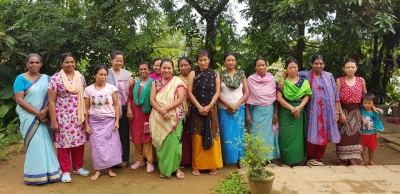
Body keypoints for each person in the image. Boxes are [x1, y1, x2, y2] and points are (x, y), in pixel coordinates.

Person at [279, 54, 341, 166]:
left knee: (324, 134)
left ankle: (318, 158)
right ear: (311, 64)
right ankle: (310, 158)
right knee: (310, 133)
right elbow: (291, 70)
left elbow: (336, 95)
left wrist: (336, 112)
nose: (318, 66)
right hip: (312, 111)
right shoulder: (306, 74)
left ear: (324, 64)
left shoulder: (329, 75)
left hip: (327, 112)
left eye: (321, 63)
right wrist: (282, 78)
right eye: (316, 63)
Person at [14, 54, 61, 185]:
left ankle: (52, 173)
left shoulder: (48, 79)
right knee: (35, 144)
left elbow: (53, 98)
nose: (34, 65)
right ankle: (35, 175)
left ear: (41, 64)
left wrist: (44, 112)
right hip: (29, 117)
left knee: (46, 142)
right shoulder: (20, 79)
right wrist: (37, 113)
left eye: (36, 62)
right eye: (31, 62)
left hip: (44, 116)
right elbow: (19, 100)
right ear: (27, 64)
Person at [48, 53, 89, 183]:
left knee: (79, 143)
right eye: (67, 62)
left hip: (78, 115)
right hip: (62, 116)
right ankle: (65, 170)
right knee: (64, 144)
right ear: (61, 64)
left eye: (72, 62)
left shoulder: (80, 77)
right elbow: (52, 101)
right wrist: (54, 120)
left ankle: (78, 167)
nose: (70, 64)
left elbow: (85, 96)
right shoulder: (56, 78)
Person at [188, 50, 223, 176]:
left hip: (211, 109)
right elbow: (189, 92)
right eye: (200, 60)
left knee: (213, 135)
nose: (203, 62)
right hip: (196, 110)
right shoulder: (193, 73)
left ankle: (211, 165)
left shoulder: (215, 74)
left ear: (209, 60)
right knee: (197, 137)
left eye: (205, 60)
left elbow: (217, 92)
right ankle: (197, 166)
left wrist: (208, 106)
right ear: (197, 62)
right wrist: (198, 106)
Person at [149, 58, 185, 179]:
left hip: (174, 116)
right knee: (163, 144)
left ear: (173, 69)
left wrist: (167, 108)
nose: (166, 70)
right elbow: (152, 100)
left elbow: (180, 98)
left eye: (169, 68)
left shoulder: (177, 81)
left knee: (176, 144)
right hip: (159, 117)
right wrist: (161, 111)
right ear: (160, 69)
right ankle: (165, 169)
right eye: (164, 68)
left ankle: (177, 168)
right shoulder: (155, 83)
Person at [84, 65, 122, 180]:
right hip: (94, 121)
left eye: (105, 75)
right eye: (100, 74)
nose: (103, 77)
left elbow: (116, 105)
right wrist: (86, 125)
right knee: (97, 146)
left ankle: (109, 169)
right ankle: (97, 170)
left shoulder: (112, 88)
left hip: (109, 121)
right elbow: (86, 108)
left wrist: (117, 121)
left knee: (110, 146)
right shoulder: (88, 90)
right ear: (94, 75)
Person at [276, 58, 312, 166]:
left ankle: (298, 160)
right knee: (286, 136)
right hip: (286, 111)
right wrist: (292, 108)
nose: (293, 69)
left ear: (298, 68)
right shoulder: (282, 83)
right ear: (286, 69)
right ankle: (286, 160)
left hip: (299, 111)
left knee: (298, 137)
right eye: (290, 67)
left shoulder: (304, 81)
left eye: (295, 67)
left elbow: (307, 95)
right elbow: (279, 98)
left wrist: (299, 107)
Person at [218, 52, 249, 168]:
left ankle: (240, 159)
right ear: (224, 62)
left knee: (239, 135)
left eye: (233, 60)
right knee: (225, 134)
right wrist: (228, 105)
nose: (230, 62)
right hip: (224, 110)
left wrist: (235, 106)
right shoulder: (220, 75)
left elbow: (246, 93)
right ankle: (225, 159)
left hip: (239, 109)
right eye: (228, 60)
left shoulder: (241, 75)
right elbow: (217, 93)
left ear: (236, 62)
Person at [246, 57, 279, 160]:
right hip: (256, 111)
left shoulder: (271, 78)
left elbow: (275, 98)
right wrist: (247, 114)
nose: (261, 67)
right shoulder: (251, 79)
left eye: (263, 65)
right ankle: (256, 158)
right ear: (255, 67)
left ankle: (268, 158)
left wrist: (276, 113)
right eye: (258, 65)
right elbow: (248, 98)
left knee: (269, 135)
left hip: (269, 110)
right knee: (256, 133)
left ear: (266, 66)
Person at [336, 58, 367, 165]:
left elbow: (366, 97)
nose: (350, 69)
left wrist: (372, 109)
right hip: (343, 109)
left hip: (357, 111)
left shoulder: (361, 80)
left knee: (355, 135)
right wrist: (340, 113)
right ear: (343, 69)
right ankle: (343, 159)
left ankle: (352, 158)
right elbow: (336, 99)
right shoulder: (340, 80)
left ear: (356, 68)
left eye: (352, 67)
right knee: (343, 135)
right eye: (347, 67)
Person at [127, 62, 155, 173]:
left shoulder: (153, 83)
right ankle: (139, 160)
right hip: (135, 114)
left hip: (147, 114)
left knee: (147, 138)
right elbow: (129, 97)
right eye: (141, 69)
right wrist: (129, 109)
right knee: (136, 137)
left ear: (149, 70)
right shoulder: (134, 83)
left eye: (145, 69)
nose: (143, 71)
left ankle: (149, 162)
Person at [106, 50, 132, 167]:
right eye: (117, 60)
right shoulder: (105, 73)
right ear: (111, 60)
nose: (119, 63)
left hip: (124, 107)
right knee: (111, 134)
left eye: (121, 61)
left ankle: (124, 159)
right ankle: (112, 160)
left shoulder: (127, 74)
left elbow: (131, 91)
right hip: (109, 108)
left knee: (124, 134)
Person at [360, 93, 384, 166]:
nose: (367, 105)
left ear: (373, 103)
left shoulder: (375, 113)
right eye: (365, 103)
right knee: (362, 148)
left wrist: (378, 133)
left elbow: (377, 123)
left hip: (372, 134)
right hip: (362, 134)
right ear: (362, 103)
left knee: (371, 149)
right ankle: (362, 161)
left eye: (369, 103)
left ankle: (370, 161)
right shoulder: (361, 109)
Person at [178, 57, 192, 167]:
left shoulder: (195, 78)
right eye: (181, 65)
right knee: (183, 136)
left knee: (194, 135)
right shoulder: (176, 80)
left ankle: (194, 160)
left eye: (186, 65)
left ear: (190, 66)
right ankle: (184, 160)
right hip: (182, 110)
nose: (184, 67)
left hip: (195, 109)